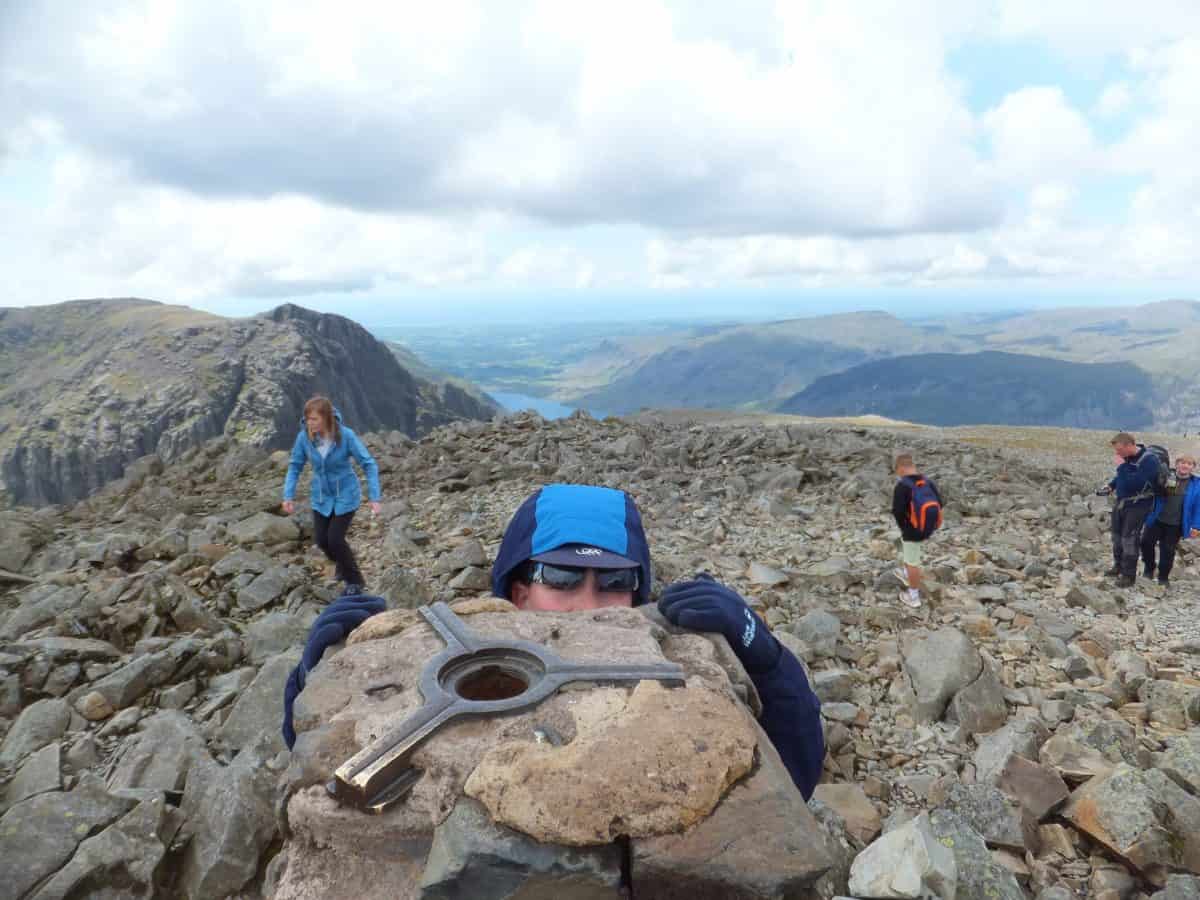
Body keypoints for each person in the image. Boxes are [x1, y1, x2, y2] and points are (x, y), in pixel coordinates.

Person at [492, 483, 825, 800]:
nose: (588, 605)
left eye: (614, 581)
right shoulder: (470, 672)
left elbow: (794, 782)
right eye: (561, 578)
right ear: (520, 595)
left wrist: (767, 662)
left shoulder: (675, 678)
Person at [282, 395, 381, 596]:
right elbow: (295, 466)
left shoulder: (346, 436)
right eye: (307, 419)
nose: (309, 424)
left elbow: (369, 464)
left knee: (335, 539)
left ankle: (355, 580)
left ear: (327, 418)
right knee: (321, 541)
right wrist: (288, 495)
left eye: (314, 419)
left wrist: (375, 497)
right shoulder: (304, 438)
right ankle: (342, 564)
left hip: (346, 494)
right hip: (321, 497)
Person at [1105, 433, 1162, 588]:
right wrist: (1111, 485)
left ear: (1130, 445)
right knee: (1117, 536)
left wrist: (1122, 466)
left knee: (1129, 538)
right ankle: (1118, 566)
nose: (1118, 454)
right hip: (1122, 503)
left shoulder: (1150, 460)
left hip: (1139, 505)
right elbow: (1122, 478)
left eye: (1120, 450)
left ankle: (1129, 576)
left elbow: (1137, 482)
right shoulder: (1128, 459)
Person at [890, 453, 943, 609]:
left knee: (913, 562)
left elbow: (897, 511)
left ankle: (913, 596)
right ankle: (907, 573)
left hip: (912, 529)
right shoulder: (928, 482)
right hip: (927, 526)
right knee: (907, 549)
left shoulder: (903, 486)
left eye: (897, 471)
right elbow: (940, 504)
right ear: (913, 466)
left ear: (900, 468)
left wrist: (906, 528)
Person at [1143, 453, 1199, 588]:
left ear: (1193, 467)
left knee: (1167, 551)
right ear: (1176, 464)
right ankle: (1149, 569)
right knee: (1145, 543)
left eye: (1189, 464)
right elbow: (1151, 488)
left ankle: (1163, 578)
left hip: (1175, 525)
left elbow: (1199, 507)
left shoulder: (1196, 484)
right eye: (1182, 462)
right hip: (1157, 518)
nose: (1185, 465)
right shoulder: (1166, 476)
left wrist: (1196, 526)